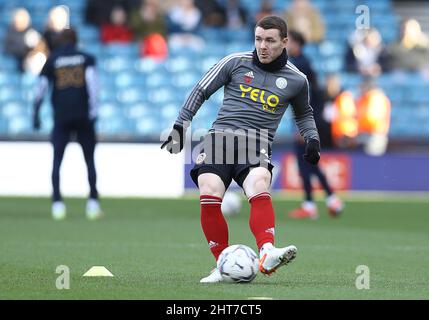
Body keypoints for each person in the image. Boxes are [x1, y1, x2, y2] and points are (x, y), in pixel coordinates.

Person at [161, 16, 321, 283]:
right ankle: (222, 263)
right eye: (258, 39)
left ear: (285, 42)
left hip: (257, 140)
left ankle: (268, 251)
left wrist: (312, 138)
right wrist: (180, 126)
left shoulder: (297, 79)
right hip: (220, 136)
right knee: (209, 188)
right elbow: (201, 90)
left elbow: (304, 115)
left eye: (270, 40)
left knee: (259, 182)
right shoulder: (234, 62)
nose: (262, 46)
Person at [32, 28, 103, 221]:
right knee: (89, 160)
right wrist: (93, 114)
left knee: (57, 161)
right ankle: (93, 203)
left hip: (61, 118)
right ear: (76, 40)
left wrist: (36, 113)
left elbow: (40, 88)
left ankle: (57, 203)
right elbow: (93, 87)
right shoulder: (86, 58)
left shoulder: (53, 59)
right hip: (82, 117)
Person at [286, 30, 344, 219]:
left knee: (305, 163)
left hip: (307, 120)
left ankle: (311, 205)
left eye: (288, 41)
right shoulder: (303, 62)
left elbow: (305, 97)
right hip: (312, 118)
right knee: (310, 163)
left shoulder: (299, 64)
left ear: (296, 43)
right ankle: (330, 199)